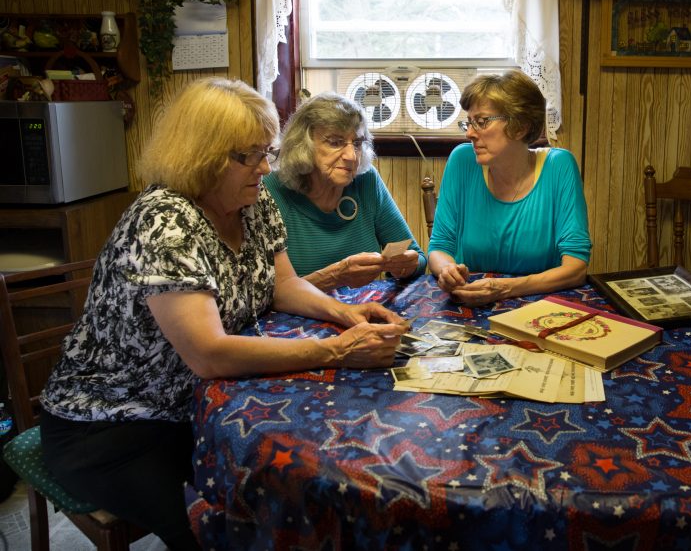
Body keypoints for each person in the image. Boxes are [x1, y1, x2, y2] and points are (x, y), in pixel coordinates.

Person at [39, 78, 408, 551]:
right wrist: (337, 350)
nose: (263, 168)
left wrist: (347, 315)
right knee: (218, 526)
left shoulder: (252, 200)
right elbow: (209, 354)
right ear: (202, 154)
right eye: (247, 156)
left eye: (266, 153)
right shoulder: (164, 221)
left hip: (191, 406)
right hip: (112, 426)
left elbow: (284, 284)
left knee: (287, 492)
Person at [427, 69, 591, 306]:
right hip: (470, 301)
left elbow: (576, 268)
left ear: (520, 126)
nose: (470, 134)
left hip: (539, 307)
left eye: (481, 122)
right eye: (469, 122)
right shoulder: (462, 161)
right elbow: (439, 247)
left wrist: (506, 288)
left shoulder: (559, 167)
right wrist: (447, 271)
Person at [263, 92, 425, 290]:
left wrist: (408, 265)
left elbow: (418, 257)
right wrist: (335, 277)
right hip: (298, 319)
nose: (351, 156)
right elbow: (267, 295)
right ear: (303, 145)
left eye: (357, 143)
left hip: (365, 311)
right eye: (335, 142)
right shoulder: (272, 191)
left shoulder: (366, 181)